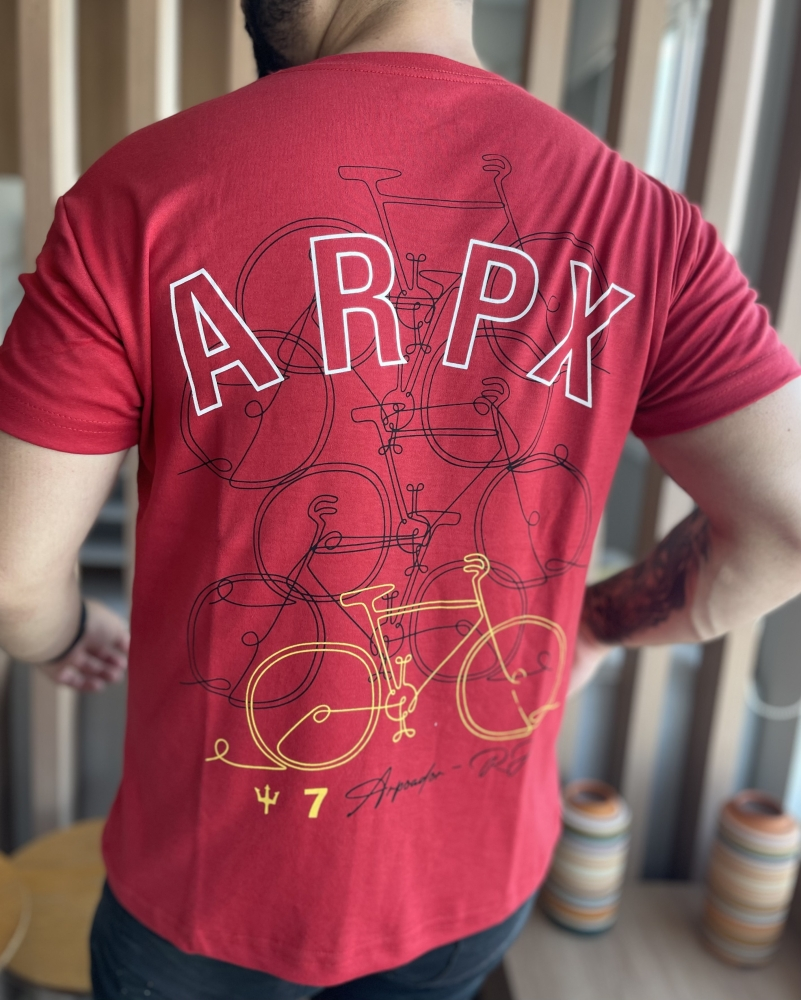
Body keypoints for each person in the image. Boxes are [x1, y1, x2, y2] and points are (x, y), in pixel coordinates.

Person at [0, 1, 800, 997]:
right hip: (468, 889)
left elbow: (11, 574)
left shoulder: (137, 197)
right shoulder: (640, 222)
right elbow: (785, 524)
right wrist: (596, 626)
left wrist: (64, 634)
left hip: (204, 892)